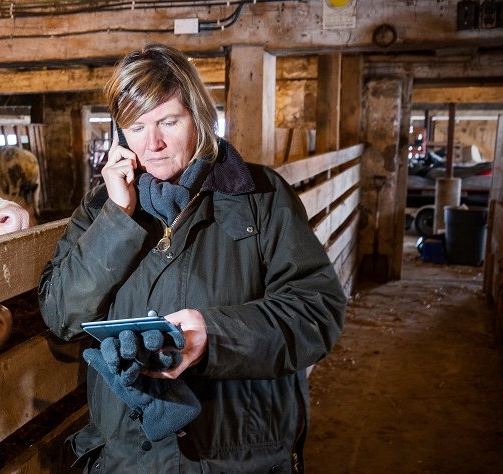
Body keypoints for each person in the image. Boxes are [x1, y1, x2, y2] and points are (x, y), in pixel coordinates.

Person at [38, 43, 347, 473]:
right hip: (131, 459)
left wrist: (214, 337)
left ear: (199, 118)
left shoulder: (261, 197)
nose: (154, 143)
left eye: (169, 121)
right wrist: (116, 217)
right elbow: (61, 316)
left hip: (236, 457)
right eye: (136, 126)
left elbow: (318, 312)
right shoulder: (101, 209)